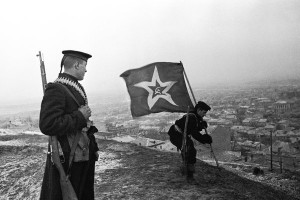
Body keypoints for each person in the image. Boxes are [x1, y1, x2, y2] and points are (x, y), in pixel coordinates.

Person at [39, 50, 99, 200]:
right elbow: (47, 124)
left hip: (82, 154)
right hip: (69, 158)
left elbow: (85, 125)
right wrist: (79, 116)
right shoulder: (56, 88)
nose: (86, 69)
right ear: (77, 65)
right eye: (84, 65)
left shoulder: (75, 87)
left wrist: (94, 147)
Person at [167, 101, 212, 183]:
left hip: (179, 134)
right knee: (190, 150)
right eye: (204, 112)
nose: (204, 115)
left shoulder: (194, 116)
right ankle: (189, 176)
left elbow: (192, 127)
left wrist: (201, 125)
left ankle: (185, 169)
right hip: (176, 134)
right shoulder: (192, 117)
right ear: (199, 110)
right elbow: (194, 133)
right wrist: (205, 139)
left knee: (188, 149)